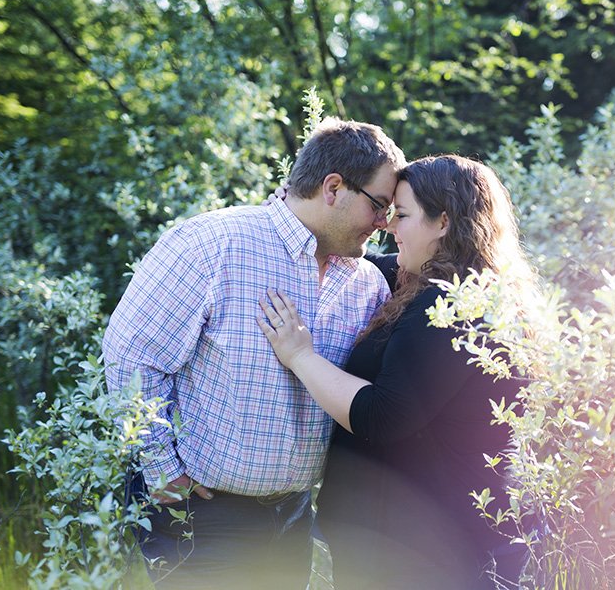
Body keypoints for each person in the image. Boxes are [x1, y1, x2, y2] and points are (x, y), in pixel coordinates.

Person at [102, 117, 405, 588]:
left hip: (295, 518)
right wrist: (161, 469)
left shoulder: (364, 281)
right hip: (204, 514)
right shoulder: (212, 243)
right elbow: (131, 355)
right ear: (333, 187)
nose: (384, 223)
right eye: (379, 205)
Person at [258, 155, 534, 590]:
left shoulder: (450, 307)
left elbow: (382, 416)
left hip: (425, 554)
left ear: (443, 222)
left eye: (401, 215)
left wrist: (300, 356)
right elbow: (348, 254)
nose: (389, 227)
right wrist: (303, 214)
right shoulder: (425, 282)